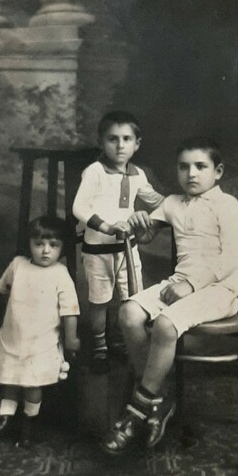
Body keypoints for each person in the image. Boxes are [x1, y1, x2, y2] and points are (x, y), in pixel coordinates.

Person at [101, 136, 238, 455]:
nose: (191, 174)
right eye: (184, 167)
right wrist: (139, 222)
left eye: (200, 167)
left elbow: (230, 260)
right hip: (180, 282)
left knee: (166, 326)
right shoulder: (172, 202)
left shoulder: (228, 205)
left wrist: (191, 285)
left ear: (217, 172)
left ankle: (137, 409)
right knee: (128, 313)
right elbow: (147, 232)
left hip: (221, 289)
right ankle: (157, 396)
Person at [0, 215, 81, 447]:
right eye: (39, 244)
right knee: (10, 381)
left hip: (41, 343)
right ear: (29, 244)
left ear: (62, 248)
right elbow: (0, 289)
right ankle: (3, 419)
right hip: (13, 337)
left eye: (53, 245)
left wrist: (72, 339)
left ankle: (28, 424)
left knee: (32, 384)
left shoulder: (60, 274)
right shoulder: (18, 266)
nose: (45, 251)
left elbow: (70, 310)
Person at [72, 110, 164, 368]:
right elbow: (79, 208)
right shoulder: (95, 172)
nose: (120, 145)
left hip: (127, 247)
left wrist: (180, 204)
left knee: (131, 298)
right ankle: (100, 344)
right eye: (113, 139)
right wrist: (109, 227)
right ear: (101, 142)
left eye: (127, 139)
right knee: (100, 300)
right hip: (98, 249)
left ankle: (126, 341)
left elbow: (156, 200)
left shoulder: (138, 174)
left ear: (137, 144)